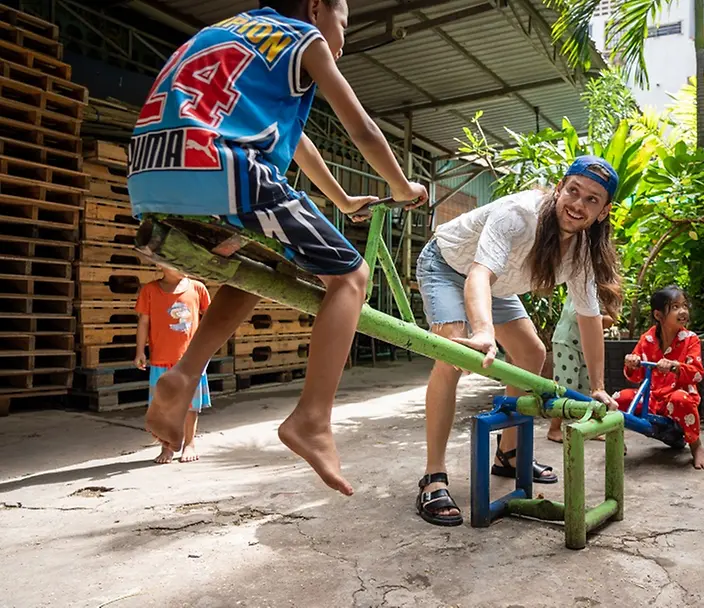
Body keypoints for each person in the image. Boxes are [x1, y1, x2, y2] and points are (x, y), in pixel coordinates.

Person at [128, 0, 428, 496]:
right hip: (220, 168)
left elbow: (297, 140)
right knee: (351, 277)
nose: (343, 38)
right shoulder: (303, 38)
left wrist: (342, 199)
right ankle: (312, 419)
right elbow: (364, 130)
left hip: (152, 173)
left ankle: (183, 376)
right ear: (316, 7)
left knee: (263, 269)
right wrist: (401, 187)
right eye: (344, 23)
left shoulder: (228, 31)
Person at [414, 155, 622, 526]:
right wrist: (483, 332)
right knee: (452, 353)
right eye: (573, 191)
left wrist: (600, 387)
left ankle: (508, 456)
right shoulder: (518, 214)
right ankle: (433, 477)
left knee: (531, 353)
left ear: (604, 211)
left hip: (497, 284)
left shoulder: (583, 253)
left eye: (592, 199)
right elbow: (479, 274)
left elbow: (590, 321)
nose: (578, 204)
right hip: (449, 266)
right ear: (559, 189)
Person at [613, 286, 704, 470]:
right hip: (652, 398)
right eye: (675, 307)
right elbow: (635, 376)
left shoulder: (691, 339)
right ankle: (616, 441)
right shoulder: (647, 339)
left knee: (681, 399)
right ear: (658, 315)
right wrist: (631, 363)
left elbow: (697, 373)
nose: (683, 311)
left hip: (675, 397)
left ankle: (696, 446)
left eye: (684, 305)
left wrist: (675, 366)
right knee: (619, 399)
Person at [135, 266, 212, 464]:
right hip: (161, 358)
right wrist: (140, 351)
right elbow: (144, 322)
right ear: (161, 265)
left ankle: (189, 443)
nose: (183, 267)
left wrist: (206, 349)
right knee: (165, 406)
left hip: (191, 360)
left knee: (191, 405)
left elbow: (210, 320)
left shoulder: (198, 288)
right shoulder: (150, 290)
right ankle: (167, 447)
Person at [547, 295, 616, 443]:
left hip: (585, 345)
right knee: (565, 386)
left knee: (587, 386)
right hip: (566, 341)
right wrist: (602, 319)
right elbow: (575, 314)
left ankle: (588, 425)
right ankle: (554, 428)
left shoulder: (599, 291)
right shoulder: (583, 284)